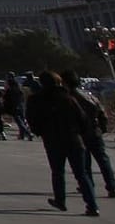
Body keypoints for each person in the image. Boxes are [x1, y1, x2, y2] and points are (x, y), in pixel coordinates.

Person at [28, 71, 98, 215]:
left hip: (52, 140)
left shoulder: (36, 99)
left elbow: (32, 119)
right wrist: (80, 133)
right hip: (74, 139)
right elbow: (82, 118)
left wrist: (39, 132)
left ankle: (60, 200)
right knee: (81, 174)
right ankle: (92, 205)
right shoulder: (68, 98)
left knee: (58, 172)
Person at [62, 72, 115, 199]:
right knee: (103, 160)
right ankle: (111, 186)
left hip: (81, 133)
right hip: (95, 131)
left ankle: (88, 186)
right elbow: (101, 113)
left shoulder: (69, 98)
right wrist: (102, 128)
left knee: (85, 163)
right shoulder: (89, 96)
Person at [3, 73, 33, 140]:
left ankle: (28, 133)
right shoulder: (19, 90)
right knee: (22, 121)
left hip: (14, 107)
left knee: (19, 122)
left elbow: (6, 98)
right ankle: (22, 135)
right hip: (21, 106)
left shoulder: (10, 91)